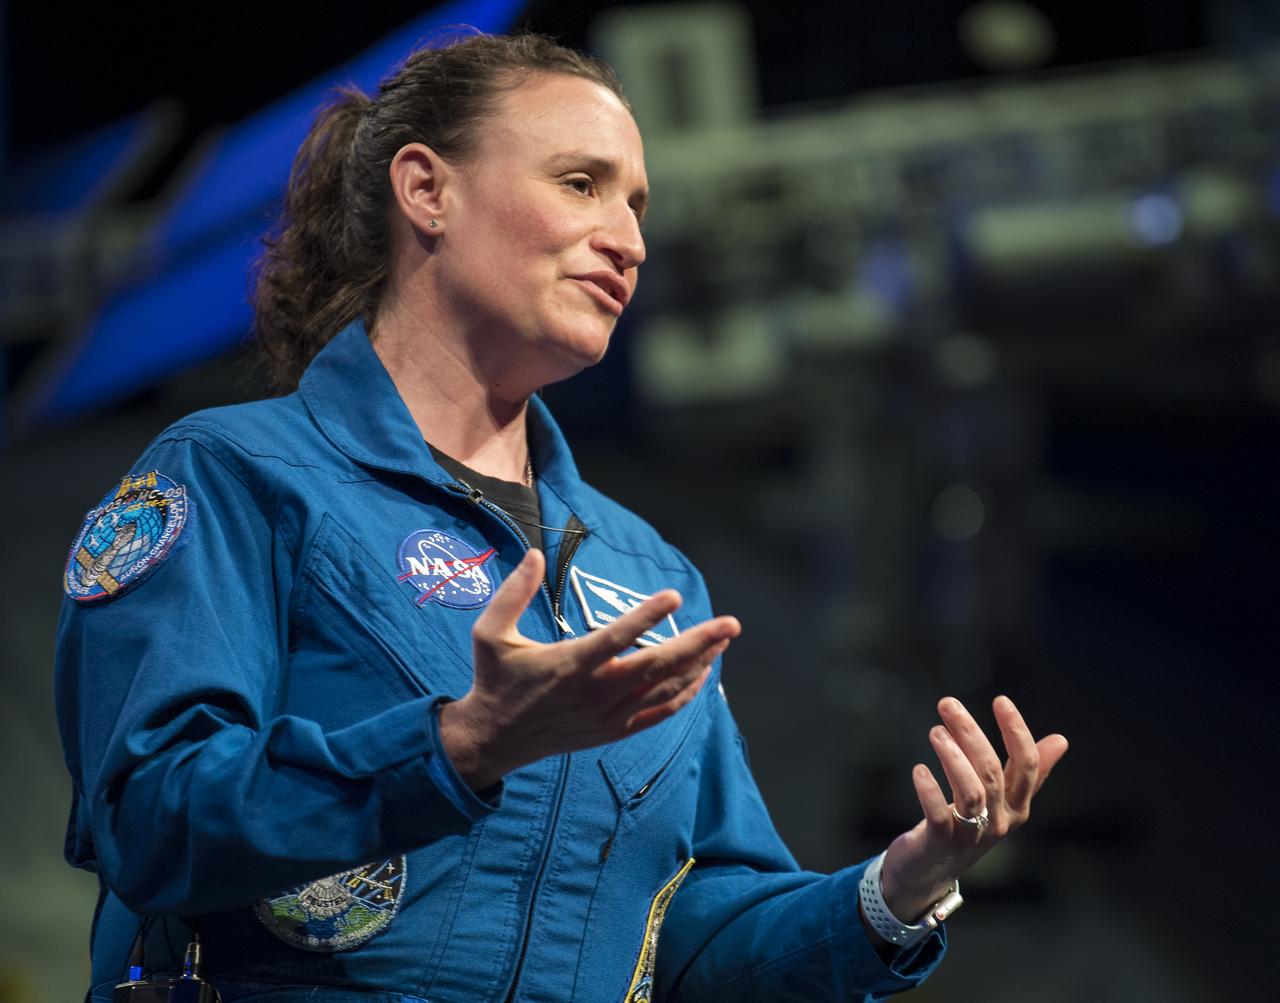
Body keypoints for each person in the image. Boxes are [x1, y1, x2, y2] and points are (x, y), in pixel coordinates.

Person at [55, 32, 1068, 1003]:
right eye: (580, 183)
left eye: (635, 204)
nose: (627, 239)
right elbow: (150, 815)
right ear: (426, 190)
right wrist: (456, 748)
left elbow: (690, 941)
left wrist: (892, 892)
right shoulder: (238, 477)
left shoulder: (644, 571)